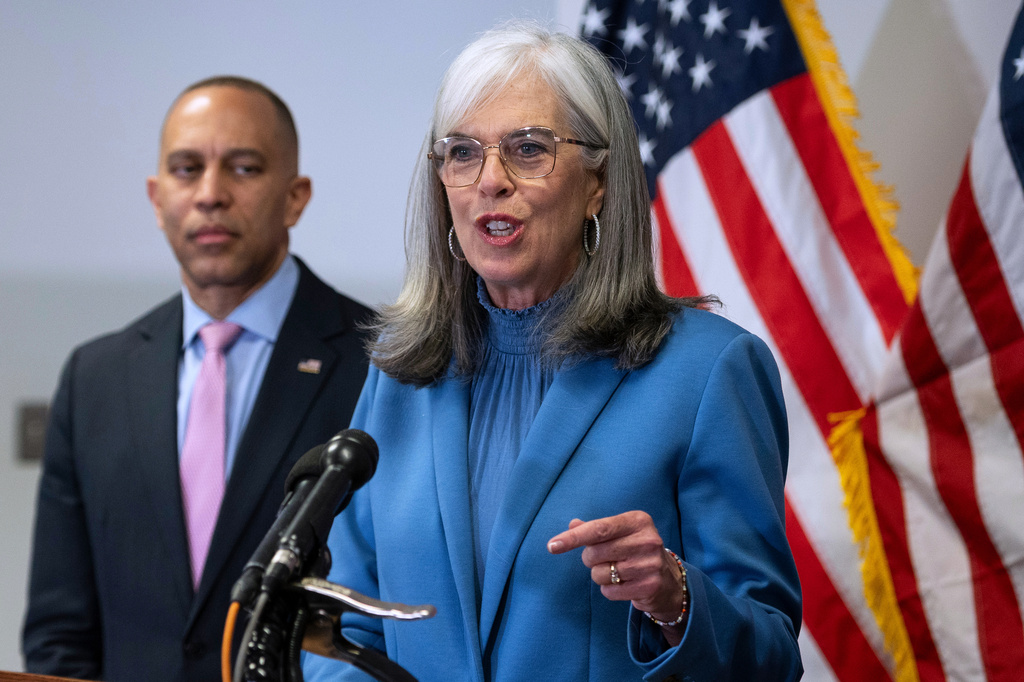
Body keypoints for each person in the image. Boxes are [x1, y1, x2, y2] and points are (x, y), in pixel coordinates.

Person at [301, 22, 802, 682]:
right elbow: (350, 629)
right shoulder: (400, 377)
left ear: (597, 182)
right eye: (462, 153)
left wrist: (675, 600)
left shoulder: (708, 372)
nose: (490, 181)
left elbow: (769, 657)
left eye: (528, 149)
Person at [22, 76, 373, 682]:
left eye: (243, 168)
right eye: (187, 170)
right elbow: (61, 632)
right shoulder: (94, 378)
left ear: (295, 196)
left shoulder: (381, 364)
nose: (210, 194)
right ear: (157, 199)